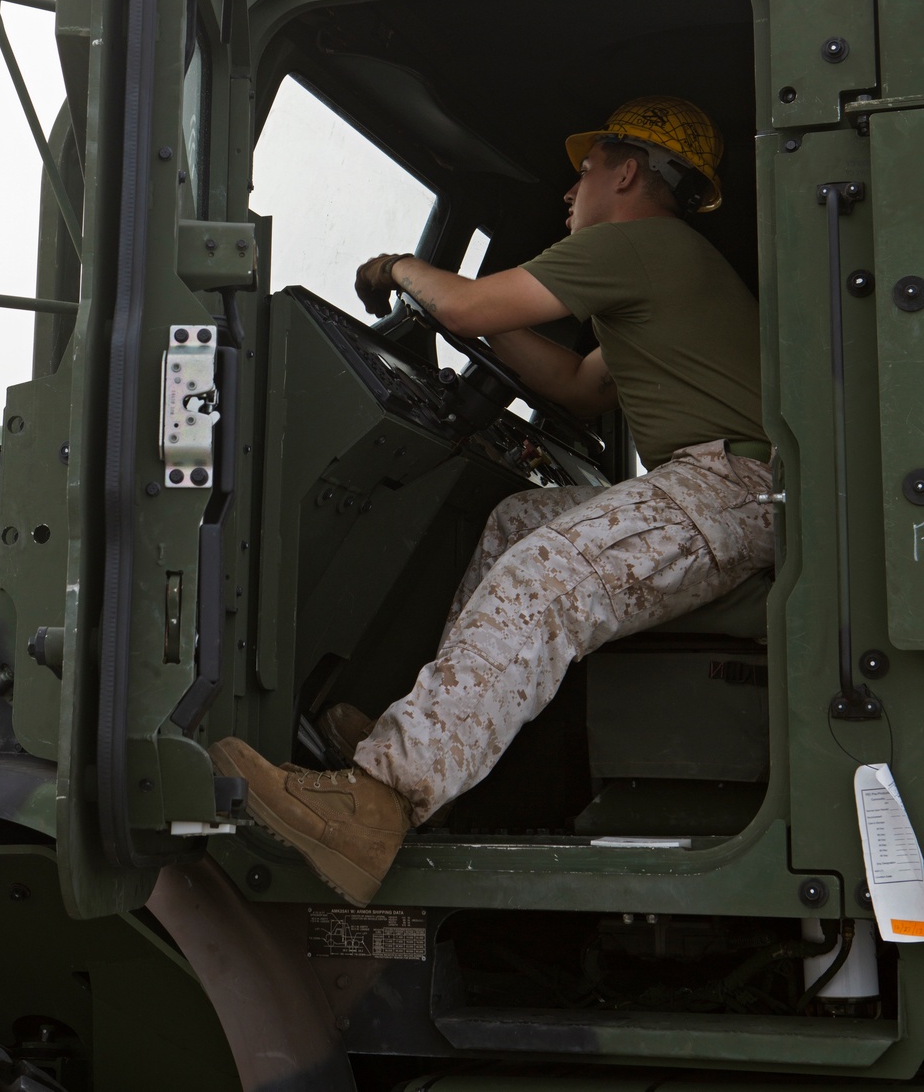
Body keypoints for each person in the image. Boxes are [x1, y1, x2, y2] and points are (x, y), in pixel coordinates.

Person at [211, 96, 774, 907]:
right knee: (517, 522)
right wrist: (471, 319)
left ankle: (379, 802)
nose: (569, 195)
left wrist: (403, 269)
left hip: (729, 487)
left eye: (583, 175)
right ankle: (434, 756)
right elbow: (578, 389)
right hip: (722, 488)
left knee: (549, 573)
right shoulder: (664, 268)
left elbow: (471, 305)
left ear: (627, 173)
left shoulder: (636, 242)